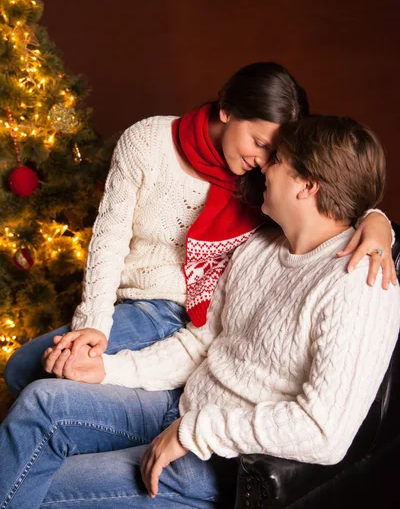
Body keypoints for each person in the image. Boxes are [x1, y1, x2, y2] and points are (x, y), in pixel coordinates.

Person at [0, 114, 399, 509]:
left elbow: (322, 431)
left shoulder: (359, 285)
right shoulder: (259, 247)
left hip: (215, 460)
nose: (263, 168)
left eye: (276, 161)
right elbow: (200, 342)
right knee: (41, 404)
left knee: (44, 486)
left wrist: (194, 433)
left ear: (307, 186)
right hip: (182, 406)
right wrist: (108, 370)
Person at [4, 63, 395, 398]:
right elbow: (109, 240)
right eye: (259, 143)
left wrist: (377, 222)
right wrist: (94, 323)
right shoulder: (148, 140)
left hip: (190, 317)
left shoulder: (267, 183)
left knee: (31, 371)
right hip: (129, 307)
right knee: (25, 367)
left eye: (273, 152)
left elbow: (331, 190)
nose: (262, 161)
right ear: (226, 110)